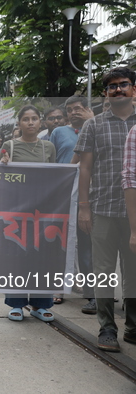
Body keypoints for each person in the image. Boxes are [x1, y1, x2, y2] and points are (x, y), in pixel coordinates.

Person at [76, 66, 136, 352]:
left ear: (133, 89)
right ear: (106, 93)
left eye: (123, 84)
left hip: (134, 213)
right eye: (112, 86)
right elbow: (85, 168)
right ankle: (107, 328)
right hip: (102, 208)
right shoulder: (94, 125)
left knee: (134, 270)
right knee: (103, 272)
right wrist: (84, 207)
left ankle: (133, 326)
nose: (118, 90)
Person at [1, 105, 56, 322]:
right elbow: (1, 178)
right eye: (26, 119)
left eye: (34, 119)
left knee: (44, 257)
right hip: (16, 210)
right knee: (17, 257)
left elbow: (56, 177)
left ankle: (41, 304)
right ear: (19, 123)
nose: (30, 123)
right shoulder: (9, 146)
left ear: (40, 122)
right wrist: (3, 164)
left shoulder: (49, 147)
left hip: (43, 211)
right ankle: (16, 303)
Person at [50, 96, 95, 310]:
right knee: (62, 239)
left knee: (87, 243)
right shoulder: (58, 133)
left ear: (87, 109)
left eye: (78, 108)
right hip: (65, 191)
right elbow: (51, 160)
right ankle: (58, 287)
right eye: (70, 110)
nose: (74, 112)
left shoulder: (97, 126)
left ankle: (91, 289)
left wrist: (91, 122)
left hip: (92, 191)